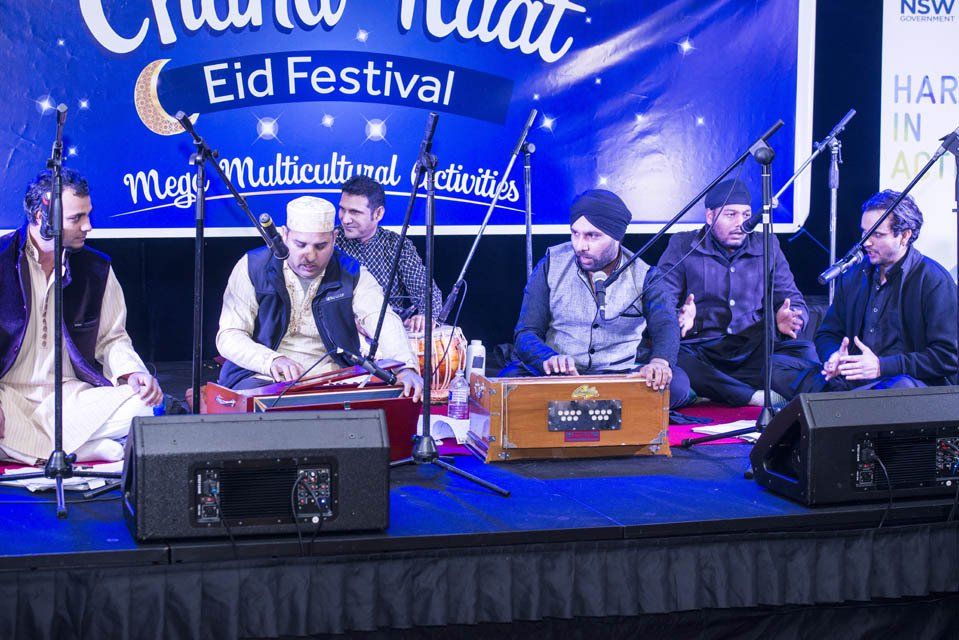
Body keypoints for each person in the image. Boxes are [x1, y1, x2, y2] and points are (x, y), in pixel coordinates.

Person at [0, 169, 162, 464]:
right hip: (7, 394)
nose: (88, 226)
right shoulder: (2, 259)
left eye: (88, 215)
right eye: (77, 218)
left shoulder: (96, 268)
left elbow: (112, 338)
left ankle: (39, 453)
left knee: (144, 406)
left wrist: (131, 373)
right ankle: (80, 450)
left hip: (70, 398)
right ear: (41, 216)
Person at [216, 195, 424, 400]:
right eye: (300, 244)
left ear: (334, 237)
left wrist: (406, 367)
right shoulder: (253, 267)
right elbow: (230, 335)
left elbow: (381, 318)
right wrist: (271, 360)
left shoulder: (351, 272)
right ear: (284, 235)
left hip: (330, 377)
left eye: (320, 246)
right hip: (262, 374)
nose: (310, 255)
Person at [499, 189, 692, 409]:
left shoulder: (646, 275)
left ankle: (584, 405)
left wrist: (659, 362)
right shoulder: (551, 264)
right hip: (558, 376)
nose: (580, 245)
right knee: (509, 382)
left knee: (677, 385)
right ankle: (613, 408)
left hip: (617, 376)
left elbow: (665, 325)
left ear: (617, 237)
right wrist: (548, 359)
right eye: (575, 233)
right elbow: (526, 333)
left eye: (592, 235)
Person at [655, 178, 817, 406]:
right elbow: (661, 299)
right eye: (731, 215)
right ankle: (752, 397)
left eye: (746, 215)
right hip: (703, 350)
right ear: (710, 216)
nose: (741, 223)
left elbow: (793, 298)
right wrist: (677, 316)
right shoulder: (683, 245)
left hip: (753, 349)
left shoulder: (767, 244)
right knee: (675, 360)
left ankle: (719, 391)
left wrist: (791, 319)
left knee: (805, 354)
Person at [782, 190, 957, 396]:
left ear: (904, 236)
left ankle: (838, 404)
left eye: (877, 235)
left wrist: (882, 366)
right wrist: (834, 356)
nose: (866, 242)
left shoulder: (933, 279)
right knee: (777, 366)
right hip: (855, 379)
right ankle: (845, 403)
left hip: (904, 381)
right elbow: (828, 333)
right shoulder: (855, 273)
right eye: (865, 232)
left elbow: (947, 356)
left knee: (901, 388)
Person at [334, 175, 443, 333]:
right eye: (342, 209)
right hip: (343, 334)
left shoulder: (396, 246)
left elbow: (426, 292)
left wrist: (426, 316)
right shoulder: (331, 243)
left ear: (378, 214)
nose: (345, 219)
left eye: (355, 212)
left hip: (387, 336)